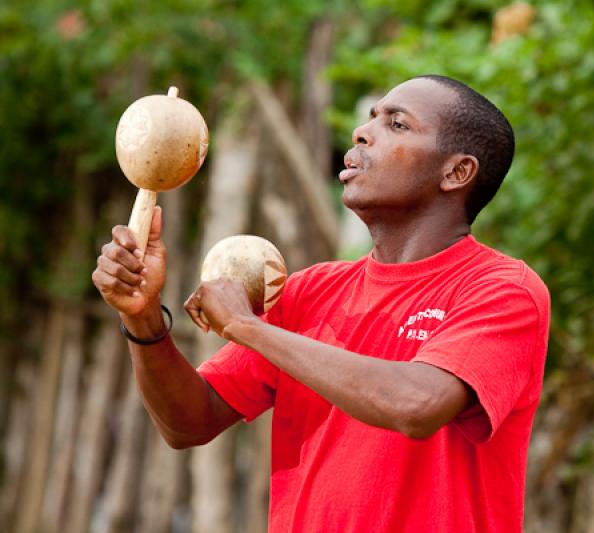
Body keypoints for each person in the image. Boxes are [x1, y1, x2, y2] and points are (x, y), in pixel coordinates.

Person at [92, 74, 550, 533]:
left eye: (397, 124)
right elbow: (188, 422)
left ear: (456, 172)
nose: (362, 132)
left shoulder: (504, 290)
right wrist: (143, 315)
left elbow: (418, 405)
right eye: (371, 117)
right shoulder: (310, 291)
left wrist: (247, 327)